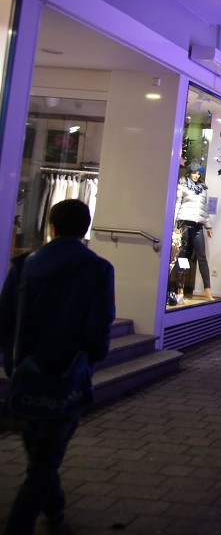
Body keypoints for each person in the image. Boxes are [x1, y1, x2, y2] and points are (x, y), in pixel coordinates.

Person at [0, 200, 115, 534]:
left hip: (26, 374)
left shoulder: (23, 267)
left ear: (51, 227)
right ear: (86, 228)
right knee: (44, 462)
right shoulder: (98, 269)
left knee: (40, 455)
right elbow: (99, 323)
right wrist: (94, 356)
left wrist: (11, 360)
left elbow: (5, 319)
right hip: (68, 374)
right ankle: (22, 525)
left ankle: (55, 513)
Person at [171, 163, 214, 302]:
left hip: (198, 226)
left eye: (198, 173)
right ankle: (180, 288)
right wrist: (173, 225)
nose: (196, 175)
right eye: (194, 172)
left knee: (202, 257)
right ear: (189, 172)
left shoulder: (203, 189)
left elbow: (204, 209)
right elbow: (177, 204)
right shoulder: (182, 186)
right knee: (183, 256)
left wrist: (208, 227)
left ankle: (208, 290)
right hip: (185, 224)